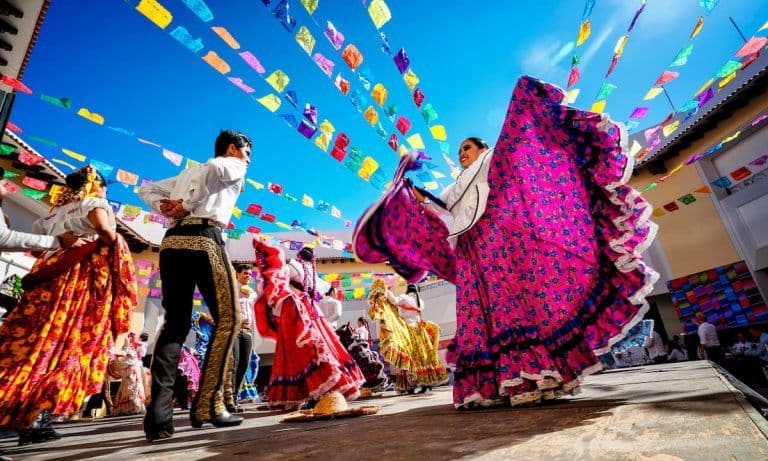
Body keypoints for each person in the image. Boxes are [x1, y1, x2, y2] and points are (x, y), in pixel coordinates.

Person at [354, 76, 659, 408]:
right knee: (480, 315)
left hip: (501, 246)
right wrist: (410, 197)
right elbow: (437, 213)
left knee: (516, 307)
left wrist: (523, 104)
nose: (462, 155)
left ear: (482, 148)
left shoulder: (494, 161)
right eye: (459, 152)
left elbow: (520, 158)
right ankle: (494, 385)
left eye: (467, 148)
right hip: (472, 254)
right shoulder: (455, 186)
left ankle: (538, 374)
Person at [0, 166, 136, 445]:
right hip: (76, 281)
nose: (105, 192)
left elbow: (37, 249)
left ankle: (26, 414)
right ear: (94, 185)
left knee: (33, 344)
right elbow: (105, 232)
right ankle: (34, 418)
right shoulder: (94, 203)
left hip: (45, 278)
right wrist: (111, 244)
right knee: (68, 345)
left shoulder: (52, 213)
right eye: (104, 187)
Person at [139, 129, 251, 440]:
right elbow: (217, 169)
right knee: (231, 319)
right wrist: (188, 204)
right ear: (232, 148)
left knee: (175, 325)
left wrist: (166, 207)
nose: (249, 159)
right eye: (247, 151)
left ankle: (158, 419)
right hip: (204, 240)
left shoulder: (187, 171)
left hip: (172, 243)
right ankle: (208, 404)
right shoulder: (230, 165)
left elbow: (145, 190)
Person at [252, 238, 364, 410]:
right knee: (317, 350)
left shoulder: (292, 267)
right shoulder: (313, 273)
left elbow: (277, 283)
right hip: (313, 312)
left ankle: (311, 393)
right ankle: (316, 392)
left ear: (298, 255)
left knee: (298, 353)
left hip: (297, 313)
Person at [368, 280, 448, 395]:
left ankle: (409, 384)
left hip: (408, 331)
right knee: (423, 358)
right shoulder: (420, 302)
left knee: (409, 357)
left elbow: (394, 300)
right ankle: (426, 381)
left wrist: (385, 290)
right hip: (421, 332)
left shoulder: (404, 298)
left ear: (407, 290)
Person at [0, 167, 85, 252]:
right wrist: (57, 241)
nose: (4, 181)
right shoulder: (44, 221)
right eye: (0, 178)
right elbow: (3, 239)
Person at [226, 263, 256, 413]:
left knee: (244, 364)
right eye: (245, 273)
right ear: (237, 274)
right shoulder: (232, 289)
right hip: (235, 330)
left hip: (247, 331)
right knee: (235, 363)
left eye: (250, 274)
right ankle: (229, 399)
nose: (248, 276)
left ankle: (235, 398)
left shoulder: (252, 293)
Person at [140, 271, 165, 368]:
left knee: (162, 335)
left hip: (166, 302)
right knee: (148, 333)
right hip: (154, 299)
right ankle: (143, 366)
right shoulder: (156, 274)